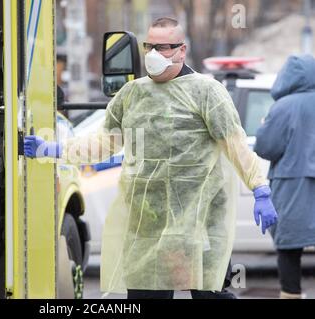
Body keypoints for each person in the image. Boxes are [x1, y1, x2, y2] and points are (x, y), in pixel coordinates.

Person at [24, 17, 278, 299]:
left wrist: (260, 188)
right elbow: (101, 144)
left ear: (181, 50)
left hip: (199, 221)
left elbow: (236, 145)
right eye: (149, 47)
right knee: (146, 296)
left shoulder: (207, 92)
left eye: (164, 48)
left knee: (210, 295)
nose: (154, 54)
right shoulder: (131, 94)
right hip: (147, 223)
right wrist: (52, 150)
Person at [254, 54, 315, 300]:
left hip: (292, 189)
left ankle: (291, 294)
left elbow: (266, 147)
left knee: (289, 249)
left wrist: (262, 127)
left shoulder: (283, 107)